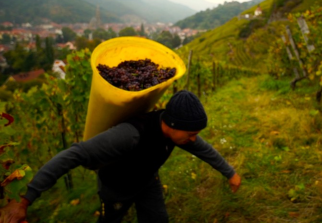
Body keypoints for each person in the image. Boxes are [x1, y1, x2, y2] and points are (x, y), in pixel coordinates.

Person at [0, 90, 241, 223]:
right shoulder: (130, 135)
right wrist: (25, 200)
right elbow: (73, 154)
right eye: (191, 134)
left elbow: (203, 149)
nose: (193, 139)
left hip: (147, 183)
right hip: (116, 189)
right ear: (172, 123)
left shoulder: (178, 134)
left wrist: (230, 173)